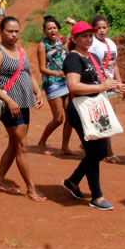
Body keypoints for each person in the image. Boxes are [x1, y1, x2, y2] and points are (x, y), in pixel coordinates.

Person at [61, 21, 125, 211]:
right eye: (84, 36)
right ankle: (97, 196)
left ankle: (73, 181)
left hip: (94, 108)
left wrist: (114, 85)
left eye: (90, 35)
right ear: (74, 39)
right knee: (95, 151)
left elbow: (102, 79)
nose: (89, 39)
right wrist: (102, 87)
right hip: (80, 109)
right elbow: (73, 86)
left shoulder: (92, 56)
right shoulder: (73, 59)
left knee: (100, 150)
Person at [0, 16, 46, 201]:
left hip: (24, 103)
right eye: (9, 31)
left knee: (14, 144)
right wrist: (8, 100)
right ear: (1, 32)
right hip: (9, 106)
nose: (13, 35)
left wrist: (37, 92)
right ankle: (31, 188)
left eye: (16, 31)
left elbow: (28, 73)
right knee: (21, 145)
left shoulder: (21, 51)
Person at [36, 15, 74, 156]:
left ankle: (65, 146)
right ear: (44, 31)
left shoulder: (61, 40)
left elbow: (76, 35)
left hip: (66, 81)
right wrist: (58, 74)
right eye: (49, 28)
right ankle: (42, 141)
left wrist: (73, 23)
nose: (52, 30)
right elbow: (42, 68)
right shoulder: (42, 46)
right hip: (52, 83)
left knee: (70, 116)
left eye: (54, 28)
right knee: (58, 118)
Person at [89, 14, 123, 164]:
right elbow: (91, 64)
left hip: (110, 85)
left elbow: (114, 64)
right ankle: (108, 152)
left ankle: (102, 149)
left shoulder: (111, 43)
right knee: (104, 119)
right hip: (98, 85)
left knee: (109, 118)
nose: (102, 31)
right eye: (98, 28)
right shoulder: (92, 44)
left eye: (104, 28)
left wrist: (119, 82)